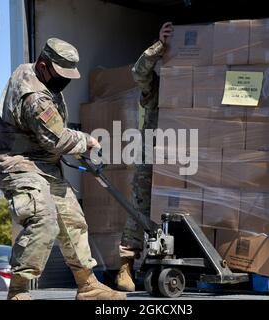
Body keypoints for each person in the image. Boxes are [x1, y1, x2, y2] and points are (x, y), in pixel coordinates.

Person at [0, 38, 126, 300]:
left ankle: (88, 285)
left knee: (72, 219)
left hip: (45, 163)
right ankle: (17, 291)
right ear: (43, 65)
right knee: (44, 218)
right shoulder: (34, 96)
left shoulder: (34, 73)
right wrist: (87, 140)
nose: (64, 81)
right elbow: (57, 139)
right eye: (60, 74)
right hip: (18, 163)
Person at [116, 22, 174, 292]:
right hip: (152, 153)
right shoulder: (155, 88)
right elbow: (138, 72)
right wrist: (160, 45)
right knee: (139, 205)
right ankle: (126, 263)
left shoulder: (199, 90)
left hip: (187, 156)